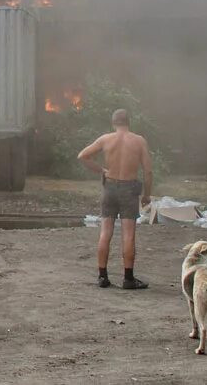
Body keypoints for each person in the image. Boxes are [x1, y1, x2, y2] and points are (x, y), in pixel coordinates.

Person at [77, 109, 153, 289]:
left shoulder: (105, 139)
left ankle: (102, 277)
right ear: (129, 122)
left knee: (105, 232)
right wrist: (147, 195)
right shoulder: (139, 141)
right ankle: (128, 278)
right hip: (129, 189)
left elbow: (82, 156)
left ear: (113, 123)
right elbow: (148, 171)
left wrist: (101, 170)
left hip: (110, 187)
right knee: (128, 234)